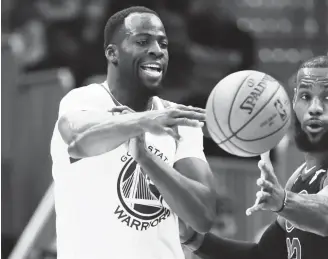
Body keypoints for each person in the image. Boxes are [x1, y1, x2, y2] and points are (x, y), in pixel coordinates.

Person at [180, 56, 328, 259]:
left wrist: (282, 201)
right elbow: (263, 255)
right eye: (305, 96)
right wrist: (193, 238)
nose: (315, 108)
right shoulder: (299, 178)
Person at [50, 6, 216, 259]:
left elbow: (203, 217)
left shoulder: (179, 120)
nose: (157, 50)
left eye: (163, 43)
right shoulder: (83, 100)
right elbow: (76, 139)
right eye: (142, 41)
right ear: (112, 53)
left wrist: (148, 160)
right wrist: (142, 122)